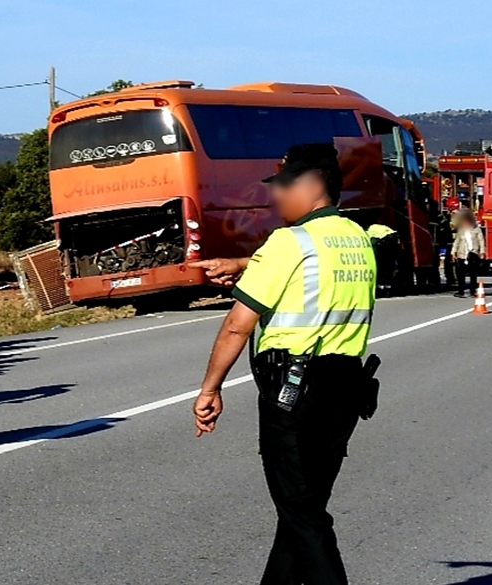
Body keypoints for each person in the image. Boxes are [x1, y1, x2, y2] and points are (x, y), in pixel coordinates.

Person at [193, 144, 378, 585]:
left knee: (303, 514)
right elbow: (308, 271)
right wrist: (241, 263)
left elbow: (238, 326)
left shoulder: (288, 242)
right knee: (301, 511)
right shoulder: (359, 239)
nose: (275, 196)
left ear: (312, 185)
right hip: (345, 390)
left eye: (282, 186)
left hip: (294, 392)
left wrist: (210, 389)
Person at [451, 209, 485, 298]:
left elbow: (481, 241)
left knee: (473, 273)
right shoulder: (461, 230)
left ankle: (472, 290)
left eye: (465, 221)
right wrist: (453, 252)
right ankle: (461, 291)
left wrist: (482, 252)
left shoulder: (476, 230)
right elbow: (457, 241)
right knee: (460, 274)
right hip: (462, 254)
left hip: (472, 254)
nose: (464, 223)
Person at [365, 223, 399, 297]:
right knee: (387, 266)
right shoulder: (378, 227)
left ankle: (382, 288)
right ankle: (387, 287)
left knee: (380, 267)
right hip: (388, 240)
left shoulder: (367, 231)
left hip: (381, 242)